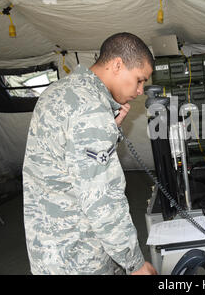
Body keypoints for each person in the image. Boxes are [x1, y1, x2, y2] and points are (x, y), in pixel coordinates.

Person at [23, 32, 157, 275]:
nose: (139, 91)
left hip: (50, 250)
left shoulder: (60, 90)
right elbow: (102, 199)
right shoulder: (91, 109)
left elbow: (69, 160)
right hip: (80, 256)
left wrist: (110, 129)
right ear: (118, 65)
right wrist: (135, 263)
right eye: (139, 80)